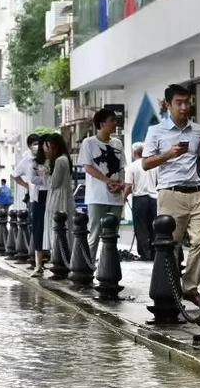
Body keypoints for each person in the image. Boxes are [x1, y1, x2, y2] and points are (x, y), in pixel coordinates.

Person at [142, 84, 200, 302]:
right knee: (170, 244)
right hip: (170, 193)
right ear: (168, 105)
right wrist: (169, 154)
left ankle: (189, 286)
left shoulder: (198, 130)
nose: (183, 107)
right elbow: (145, 164)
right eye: (178, 103)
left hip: (196, 192)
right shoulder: (156, 131)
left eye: (186, 102)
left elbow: (199, 161)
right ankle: (169, 290)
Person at [80, 108, 125, 260]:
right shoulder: (89, 143)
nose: (114, 123)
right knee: (95, 235)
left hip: (116, 197)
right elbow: (88, 167)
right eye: (111, 120)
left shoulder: (117, 143)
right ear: (102, 124)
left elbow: (122, 167)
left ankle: (108, 269)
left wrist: (121, 184)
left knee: (112, 236)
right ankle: (88, 267)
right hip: (97, 197)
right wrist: (108, 181)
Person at [40, 134, 74, 272]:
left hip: (58, 197)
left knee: (57, 228)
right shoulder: (66, 159)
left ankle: (60, 260)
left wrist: (46, 173)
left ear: (55, 147)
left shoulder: (60, 160)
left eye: (48, 147)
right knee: (65, 228)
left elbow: (54, 183)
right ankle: (63, 258)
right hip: (65, 196)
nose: (46, 151)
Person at [14, 134, 48, 272]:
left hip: (50, 194)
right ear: (29, 146)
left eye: (38, 143)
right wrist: (27, 186)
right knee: (37, 227)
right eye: (34, 143)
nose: (37, 146)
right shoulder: (27, 160)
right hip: (36, 196)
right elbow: (15, 175)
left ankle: (50, 256)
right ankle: (37, 260)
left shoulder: (48, 157)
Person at [125, 142, 158, 261]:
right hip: (154, 199)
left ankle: (145, 254)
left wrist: (123, 197)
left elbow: (128, 186)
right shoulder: (154, 166)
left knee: (141, 227)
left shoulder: (132, 166)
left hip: (139, 199)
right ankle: (154, 253)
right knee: (153, 227)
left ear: (135, 154)